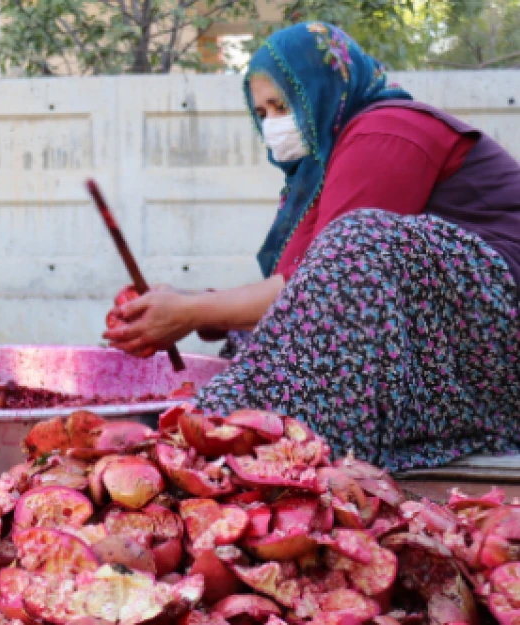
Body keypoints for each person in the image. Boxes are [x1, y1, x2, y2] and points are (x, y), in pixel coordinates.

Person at [103, 22, 520, 472]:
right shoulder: (321, 171)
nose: (273, 125)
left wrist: (188, 313)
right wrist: (185, 307)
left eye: (282, 105)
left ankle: (286, 449)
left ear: (325, 89)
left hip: (494, 328)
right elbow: (299, 291)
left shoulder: (387, 130)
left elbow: (323, 283)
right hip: (442, 339)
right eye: (262, 113)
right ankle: (230, 435)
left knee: (353, 245)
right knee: (258, 336)